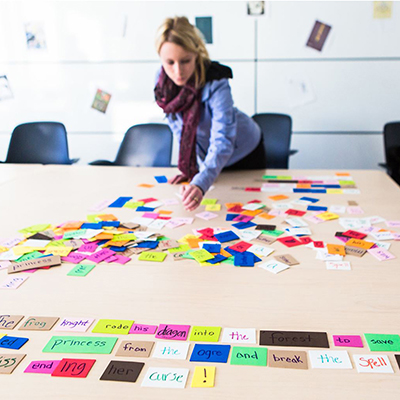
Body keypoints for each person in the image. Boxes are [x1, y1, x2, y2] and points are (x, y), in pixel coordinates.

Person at [154, 16, 266, 211]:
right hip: (210, 159)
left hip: (245, 152)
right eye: (169, 62)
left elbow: (222, 139)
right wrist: (189, 169)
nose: (178, 71)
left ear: (197, 53)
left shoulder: (216, 80)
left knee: (248, 212)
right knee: (215, 214)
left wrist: (200, 181)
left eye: (185, 61)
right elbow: (179, 128)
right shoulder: (163, 83)